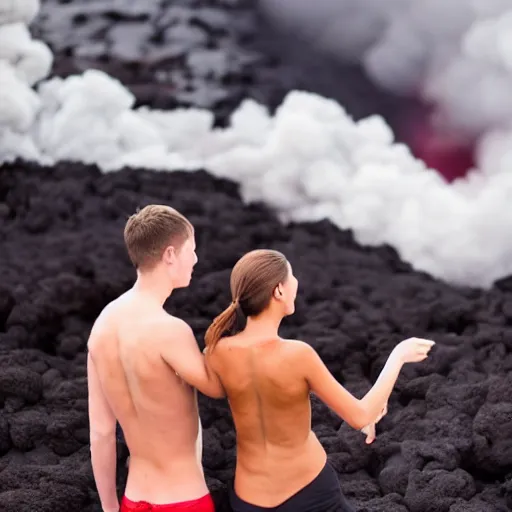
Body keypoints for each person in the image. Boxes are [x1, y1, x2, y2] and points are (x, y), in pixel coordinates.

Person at [203, 249, 435, 512]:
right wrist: (398, 356)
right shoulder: (298, 354)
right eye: (291, 276)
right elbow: (359, 415)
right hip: (309, 494)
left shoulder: (217, 352)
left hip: (248, 501)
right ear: (278, 291)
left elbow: (222, 389)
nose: (296, 283)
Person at [87, 204, 225, 512]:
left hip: (133, 501)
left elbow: (101, 432)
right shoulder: (171, 331)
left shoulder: (102, 327)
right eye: (192, 249)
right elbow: (217, 388)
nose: (196, 259)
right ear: (171, 254)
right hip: (183, 501)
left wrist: (110, 508)